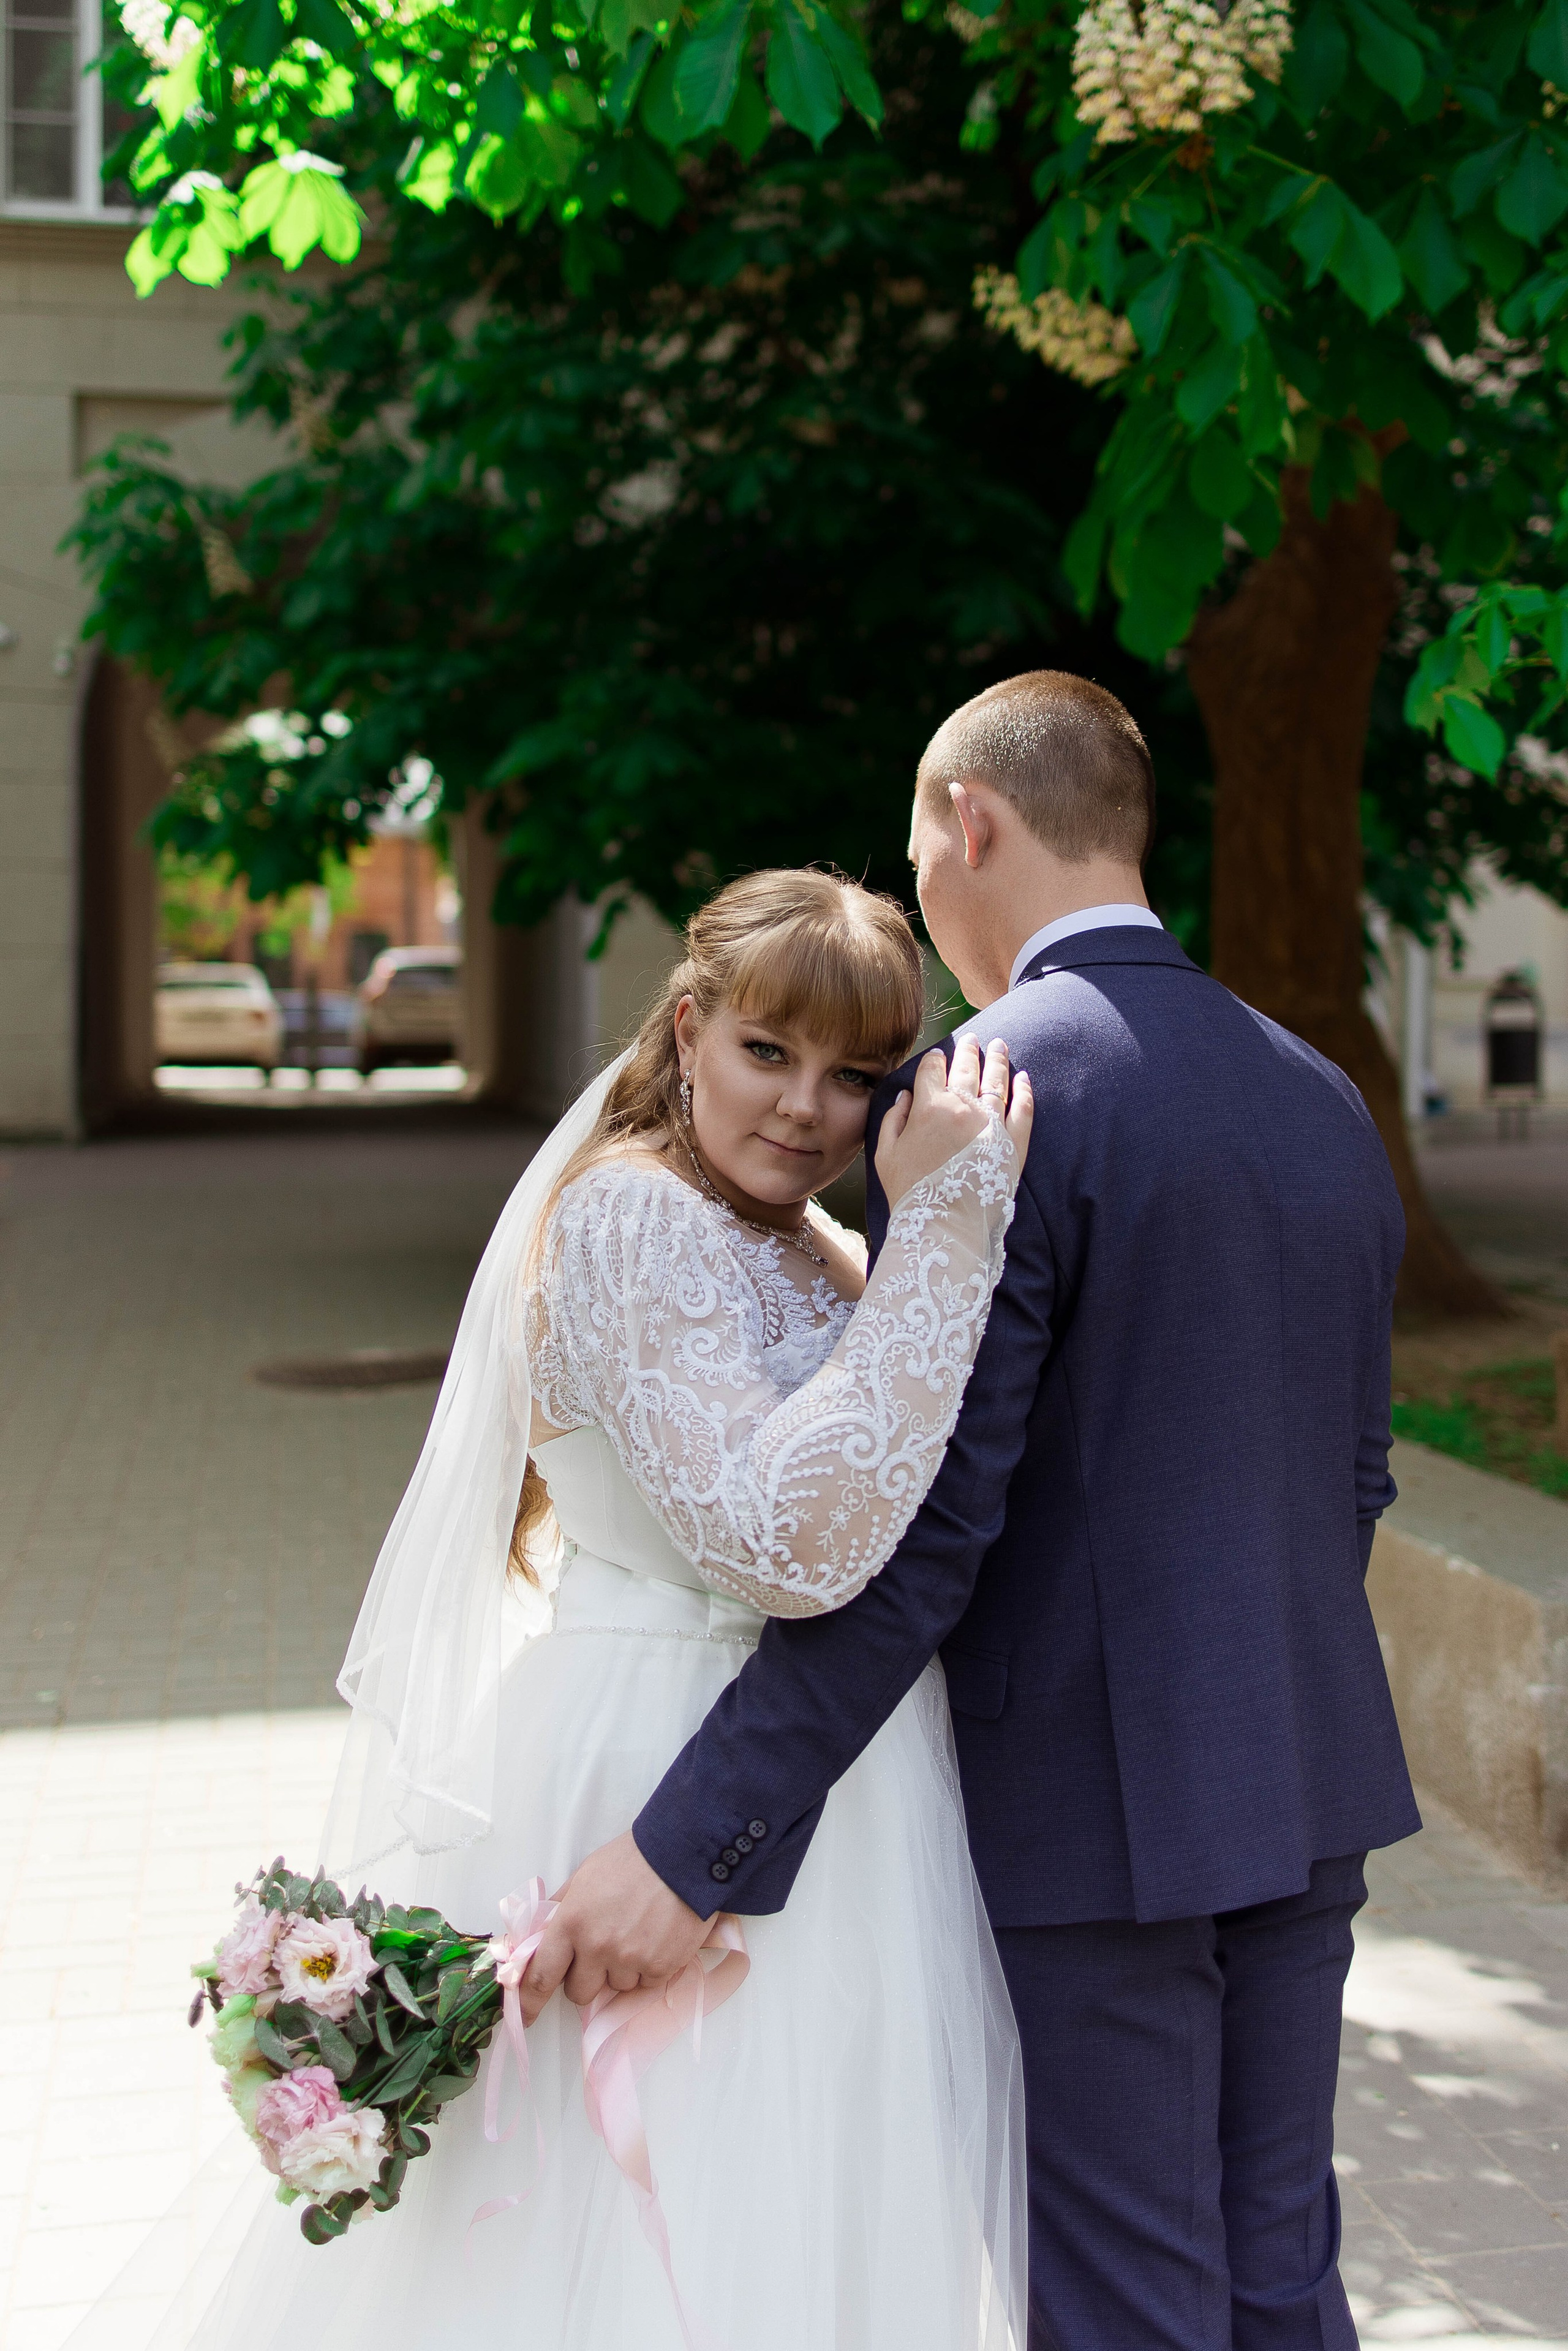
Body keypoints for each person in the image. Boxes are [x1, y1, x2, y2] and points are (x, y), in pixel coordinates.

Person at [534, 673, 1421, 2351]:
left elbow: (930, 1526)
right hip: (1308, 1777)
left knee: (1125, 2296)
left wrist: (692, 1840)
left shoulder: (987, 1092)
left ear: (972, 823)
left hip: (1090, 1812)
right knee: (1280, 2273)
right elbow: (1356, 1476)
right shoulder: (1318, 1087)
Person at [150, 866, 1033, 2351]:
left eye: (854, 1075)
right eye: (767, 1051)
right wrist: (946, 1234)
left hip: (827, 1771)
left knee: (806, 2216)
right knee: (647, 2216)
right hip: (656, 1751)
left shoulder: (816, 1245)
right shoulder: (630, 1216)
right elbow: (783, 1544)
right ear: (687, 1030)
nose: (806, 1108)